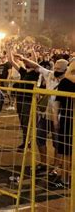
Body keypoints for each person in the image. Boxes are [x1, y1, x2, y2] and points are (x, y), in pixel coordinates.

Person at [51, 60, 75, 189]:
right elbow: (57, 102)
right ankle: (65, 178)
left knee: (66, 151)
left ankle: (65, 178)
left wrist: (55, 119)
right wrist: (55, 119)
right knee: (66, 151)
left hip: (67, 119)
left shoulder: (65, 81)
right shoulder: (65, 81)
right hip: (67, 120)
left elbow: (57, 103)